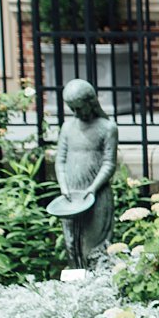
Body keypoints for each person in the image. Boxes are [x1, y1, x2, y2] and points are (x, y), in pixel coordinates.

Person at [53, 78, 118, 268]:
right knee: (72, 244)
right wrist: (64, 186)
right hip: (71, 197)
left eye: (80, 108)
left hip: (96, 195)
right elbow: (60, 160)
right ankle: (77, 285)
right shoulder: (68, 127)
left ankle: (99, 285)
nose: (76, 113)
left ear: (91, 103)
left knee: (95, 245)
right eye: (72, 108)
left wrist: (92, 188)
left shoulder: (107, 128)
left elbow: (109, 163)